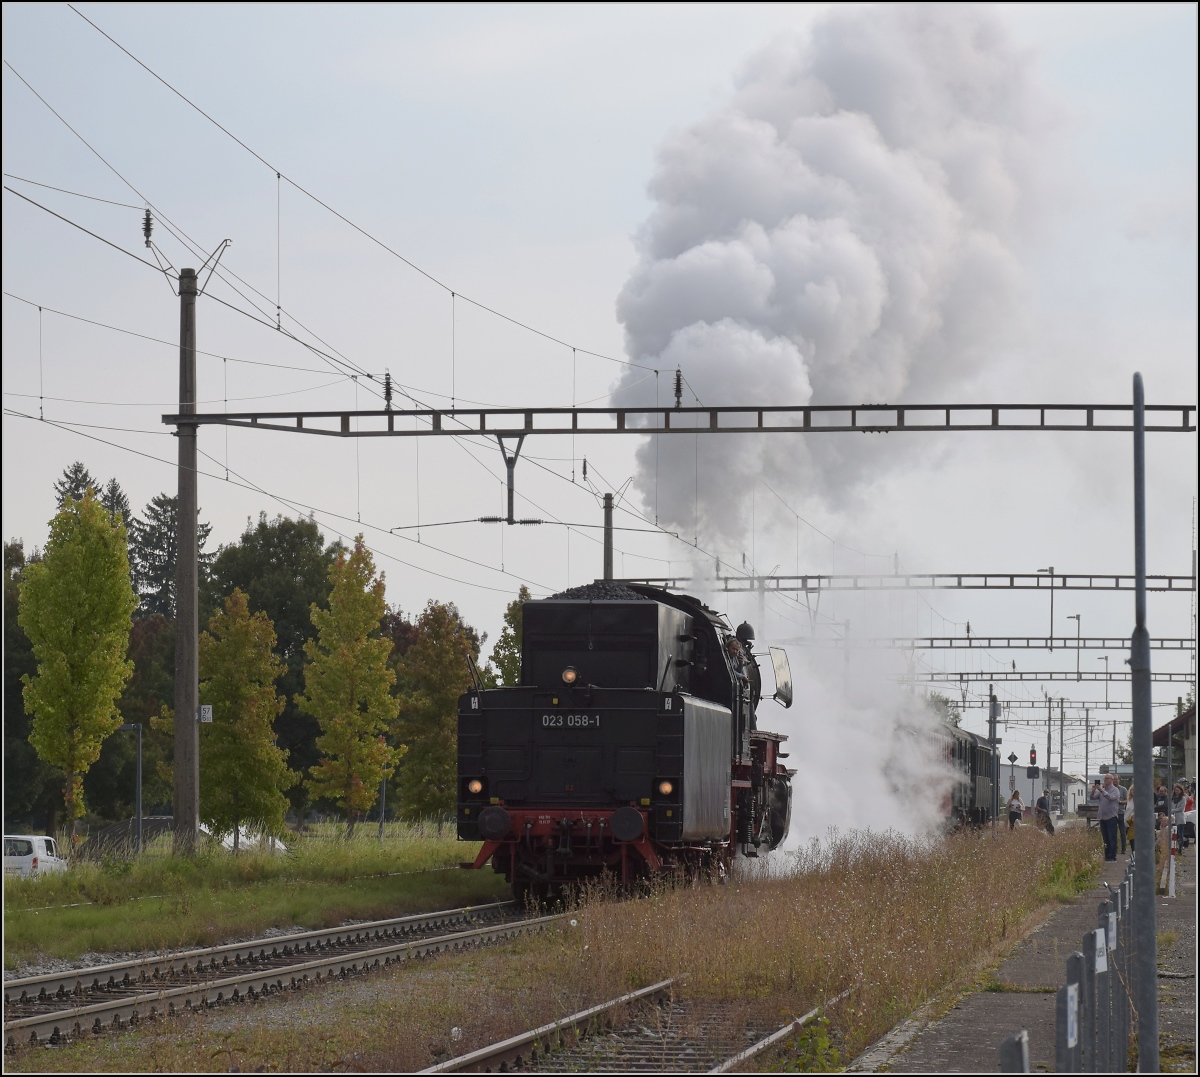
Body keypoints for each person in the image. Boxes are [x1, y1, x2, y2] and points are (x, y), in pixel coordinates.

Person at [1092, 772, 1122, 862]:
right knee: (1105, 838)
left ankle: (1112, 856)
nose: (1105, 780)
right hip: (1102, 816)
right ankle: (1107, 855)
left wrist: (1101, 790)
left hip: (1111, 817)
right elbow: (1093, 797)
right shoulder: (1102, 789)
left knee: (1112, 837)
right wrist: (1093, 790)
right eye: (1104, 779)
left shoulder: (1115, 790)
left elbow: (1111, 798)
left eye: (1107, 779)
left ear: (1111, 780)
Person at [1116, 780, 1128, 854]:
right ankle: (1115, 848)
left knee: (1122, 832)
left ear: (1119, 780)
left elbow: (1127, 800)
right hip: (1113, 813)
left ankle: (1123, 848)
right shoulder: (1109, 789)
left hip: (1121, 813)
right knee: (1113, 832)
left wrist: (1120, 802)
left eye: (1116, 779)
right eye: (1113, 779)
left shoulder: (1123, 789)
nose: (1115, 781)